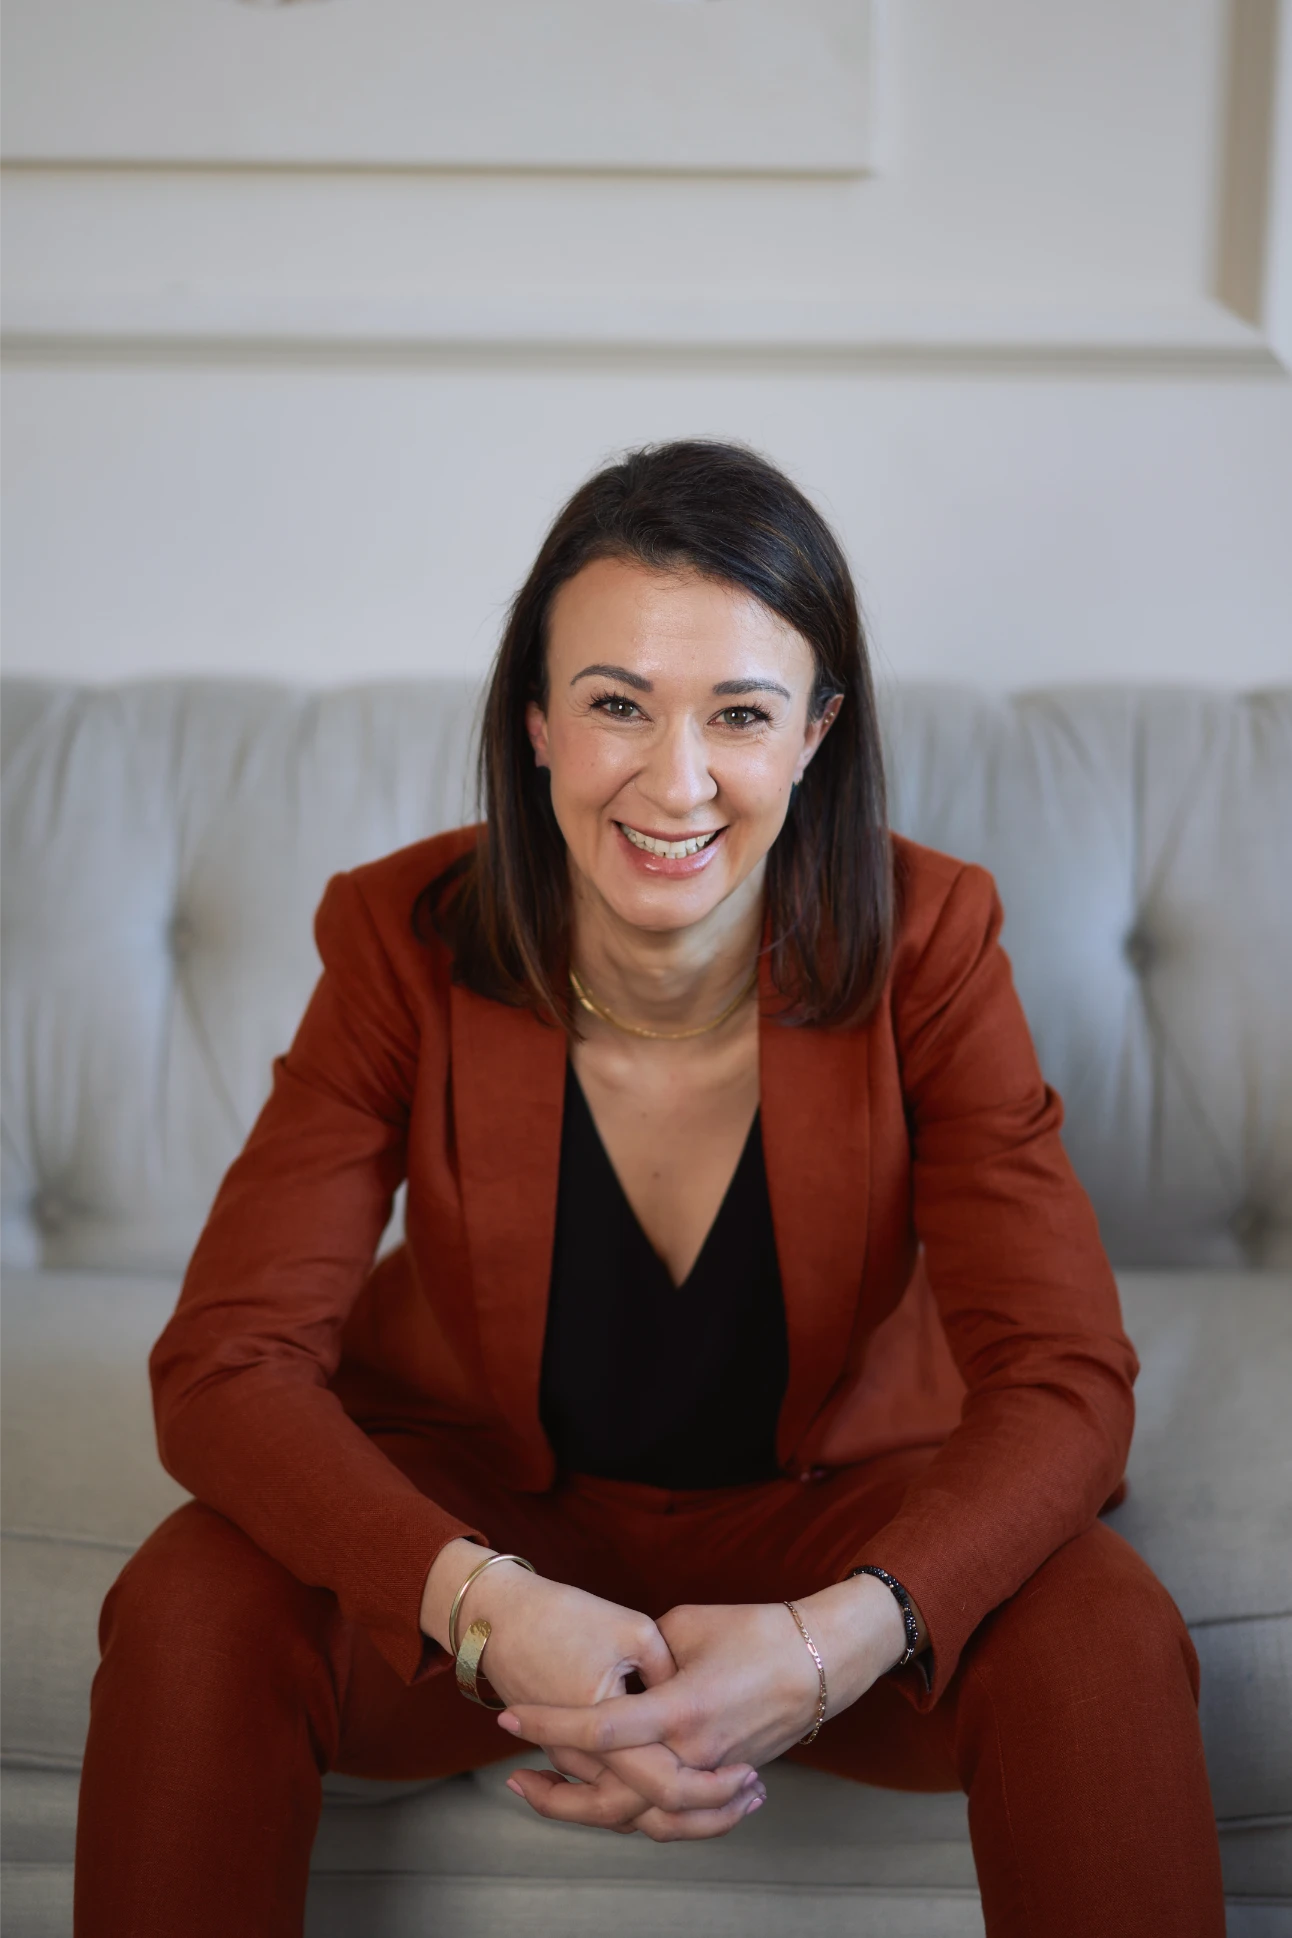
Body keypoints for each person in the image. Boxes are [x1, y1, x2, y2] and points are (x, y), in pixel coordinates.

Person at [74, 441, 1225, 1937]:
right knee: (189, 1602)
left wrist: (828, 1642)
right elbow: (226, 1366)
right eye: (617, 703)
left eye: (739, 713)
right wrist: (486, 1604)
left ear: (815, 733)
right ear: (538, 722)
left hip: (826, 1521)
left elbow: (1066, 1378)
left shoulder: (930, 940)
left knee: (1100, 1628)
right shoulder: (399, 936)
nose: (673, 781)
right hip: (485, 1517)